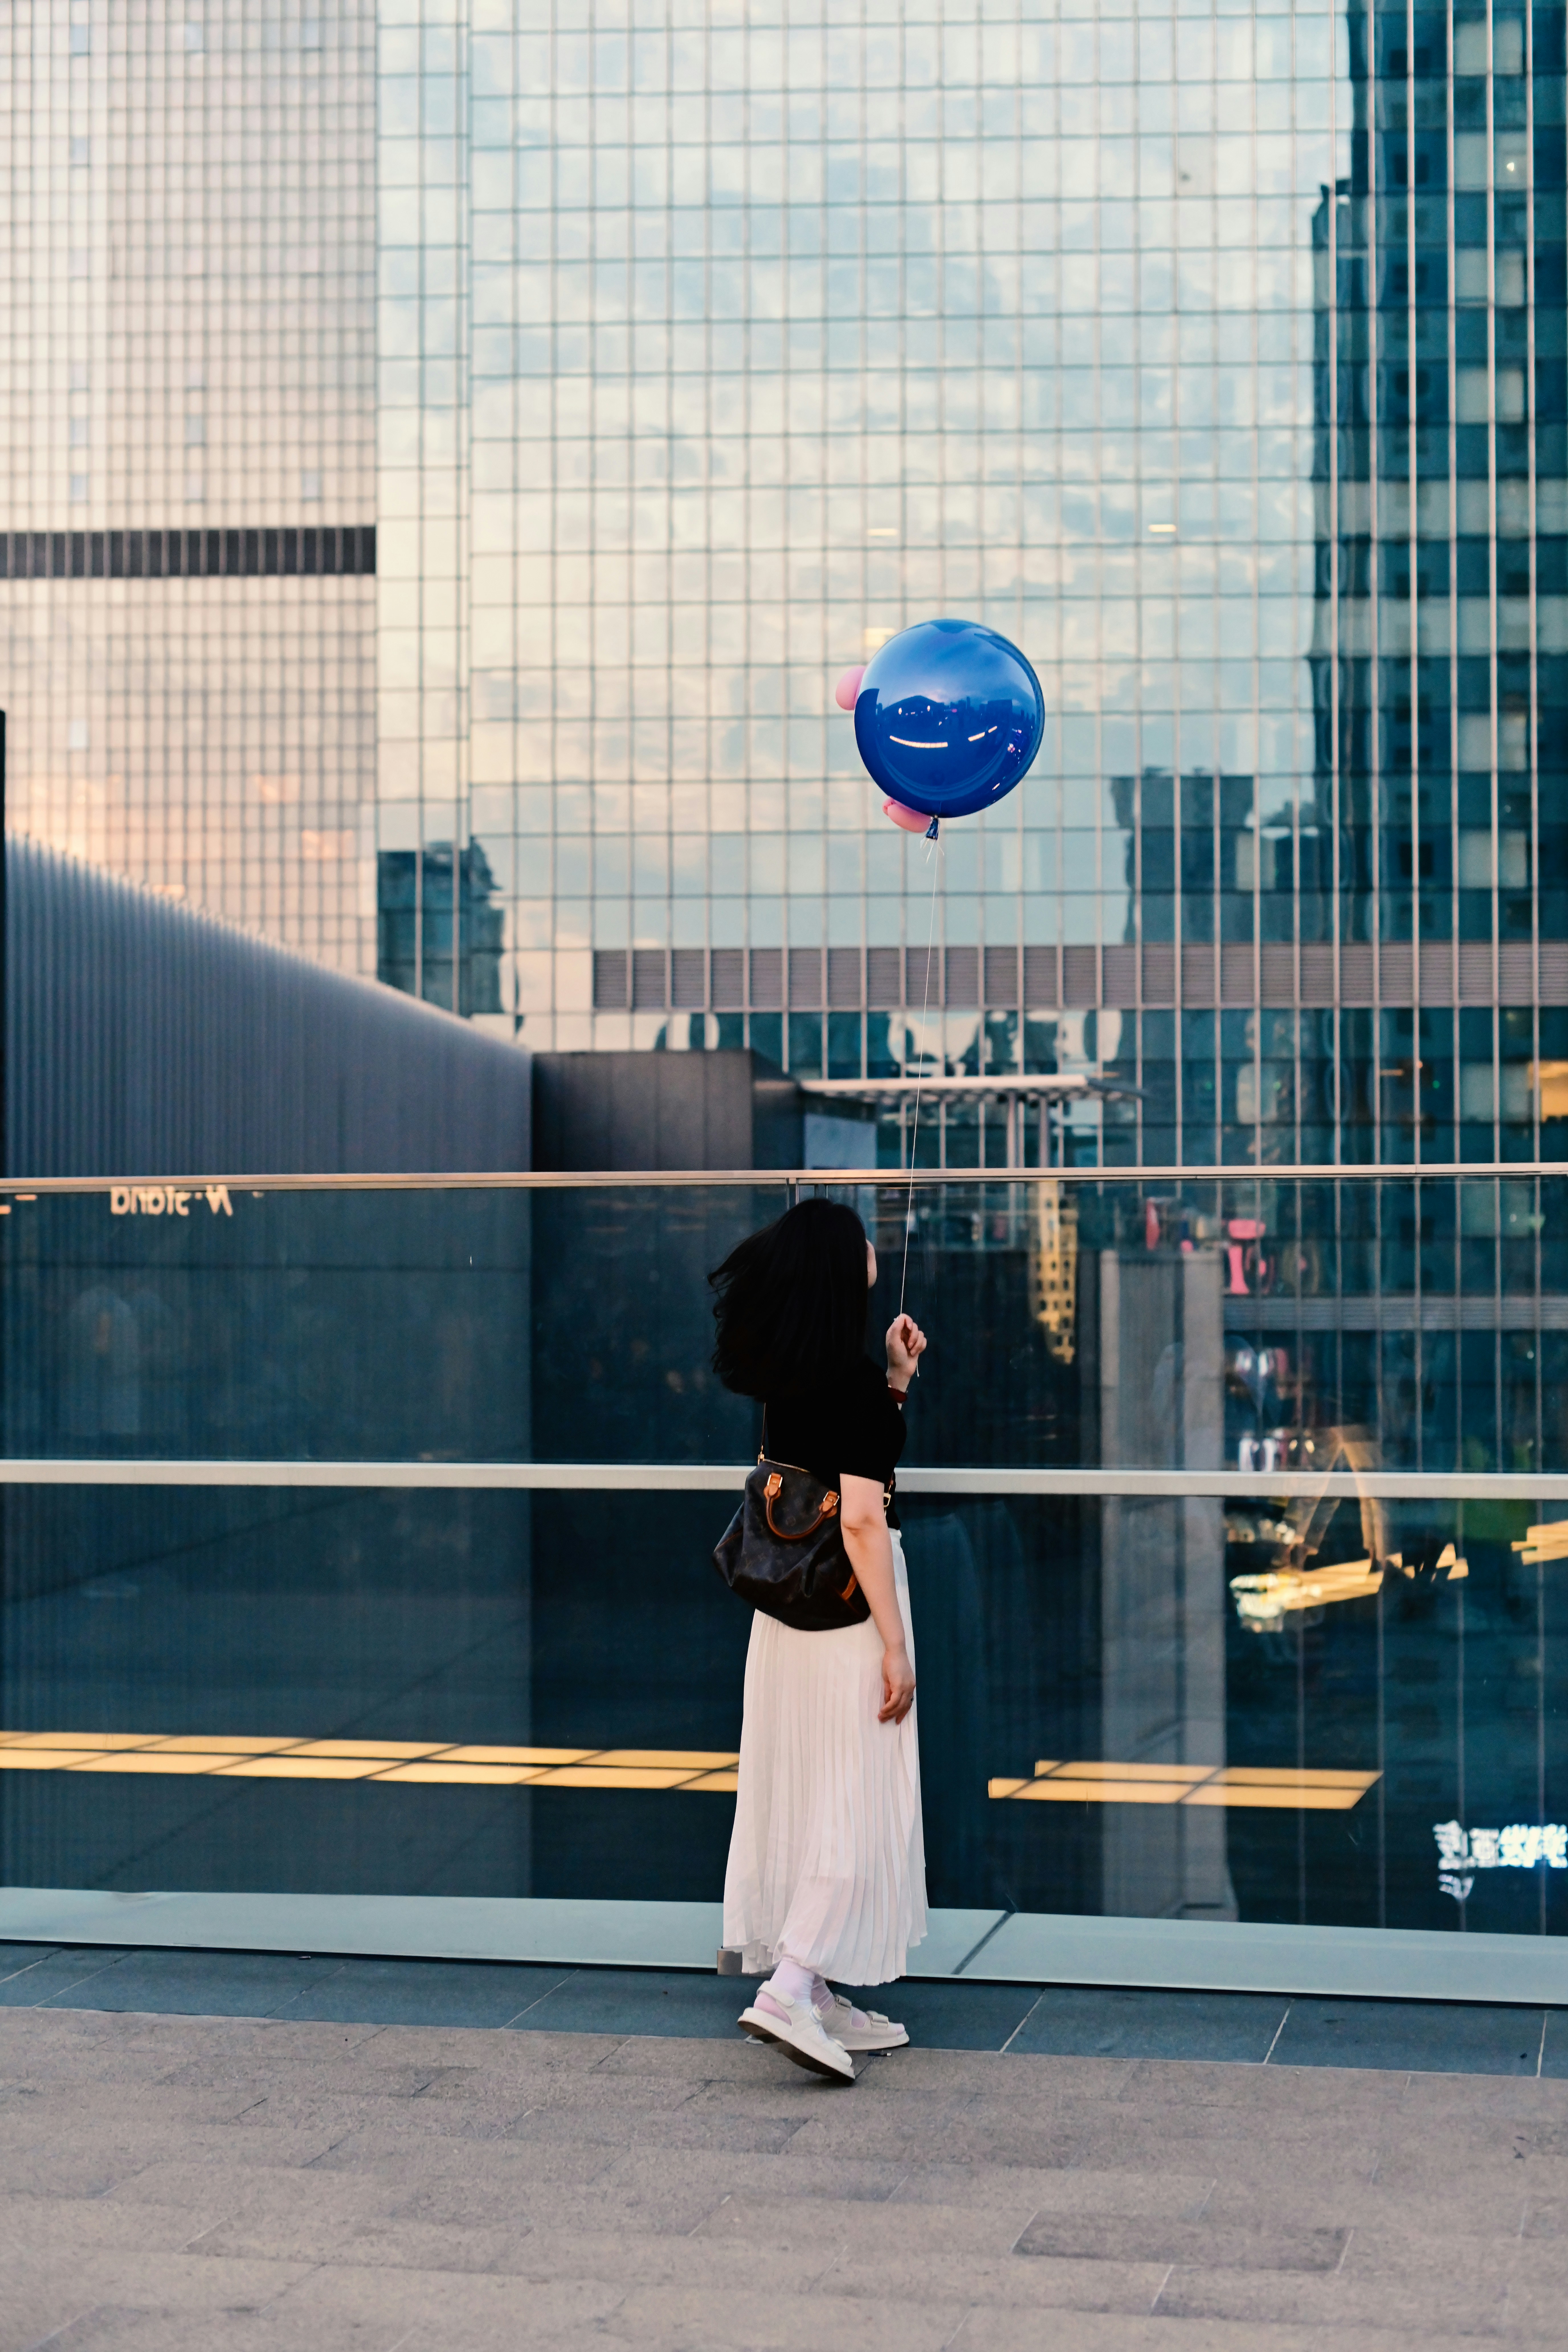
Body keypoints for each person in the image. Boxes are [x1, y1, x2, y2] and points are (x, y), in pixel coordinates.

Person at [709, 1197, 929, 2083]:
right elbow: (865, 1522)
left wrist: (895, 1383)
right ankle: (791, 1989)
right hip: (843, 1620)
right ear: (845, 1269)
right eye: (863, 1240)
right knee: (853, 1801)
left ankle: (819, 1989)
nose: (875, 1248)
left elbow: (841, 1459)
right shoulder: (843, 1388)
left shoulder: (792, 1378)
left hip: (784, 1620)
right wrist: (894, 1643)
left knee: (806, 1794)